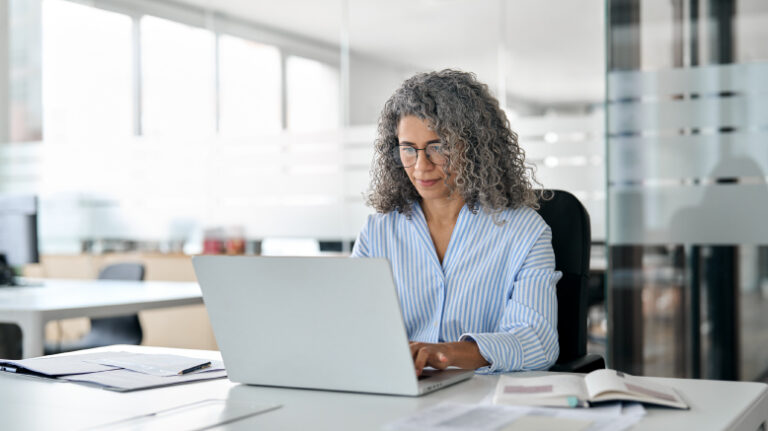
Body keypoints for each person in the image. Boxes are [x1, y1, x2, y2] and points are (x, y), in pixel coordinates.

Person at [351, 69, 561, 375]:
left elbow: (537, 343)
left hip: (484, 400)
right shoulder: (378, 232)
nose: (421, 166)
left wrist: (443, 354)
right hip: (399, 395)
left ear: (475, 148)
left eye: (438, 147)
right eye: (408, 149)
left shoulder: (525, 232)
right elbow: (350, 326)